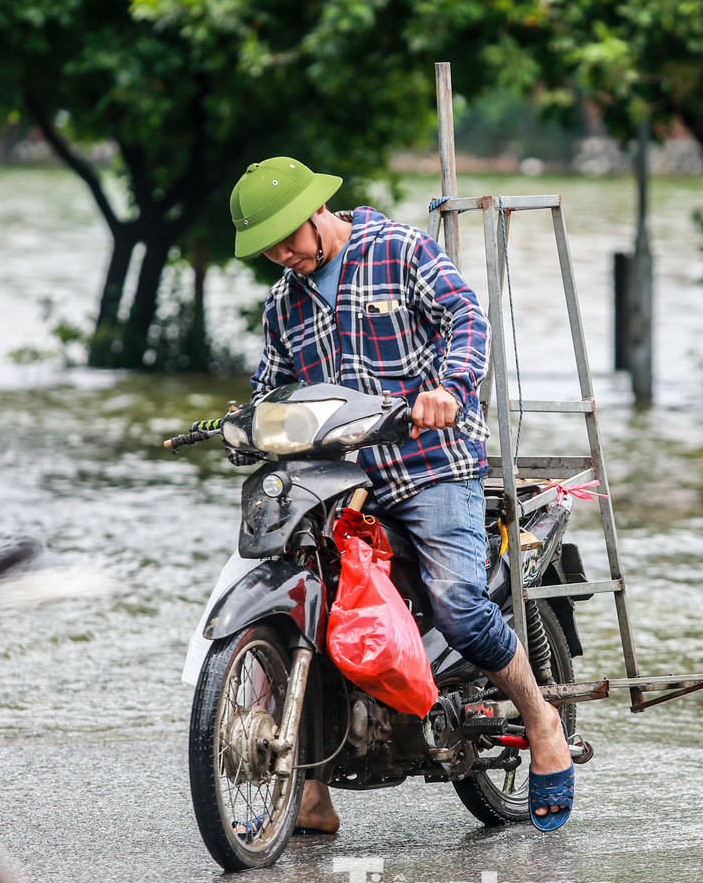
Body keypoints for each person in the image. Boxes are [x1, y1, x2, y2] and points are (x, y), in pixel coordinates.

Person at [227, 156, 574, 832]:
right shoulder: (283, 303)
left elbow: (466, 318)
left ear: (317, 211)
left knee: (459, 604)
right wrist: (246, 423)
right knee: (309, 602)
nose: (282, 254)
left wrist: (449, 387)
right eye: (267, 247)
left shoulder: (399, 250)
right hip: (338, 481)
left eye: (286, 238)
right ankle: (311, 791)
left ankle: (541, 718)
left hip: (431, 465)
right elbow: (272, 387)